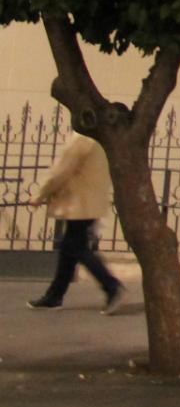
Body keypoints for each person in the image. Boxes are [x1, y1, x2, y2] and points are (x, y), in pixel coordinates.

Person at [26, 130, 124, 313]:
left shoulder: (81, 139)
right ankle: (54, 295)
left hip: (78, 203)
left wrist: (40, 194)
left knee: (77, 248)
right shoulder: (101, 139)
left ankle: (111, 286)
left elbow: (60, 171)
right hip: (90, 202)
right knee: (69, 249)